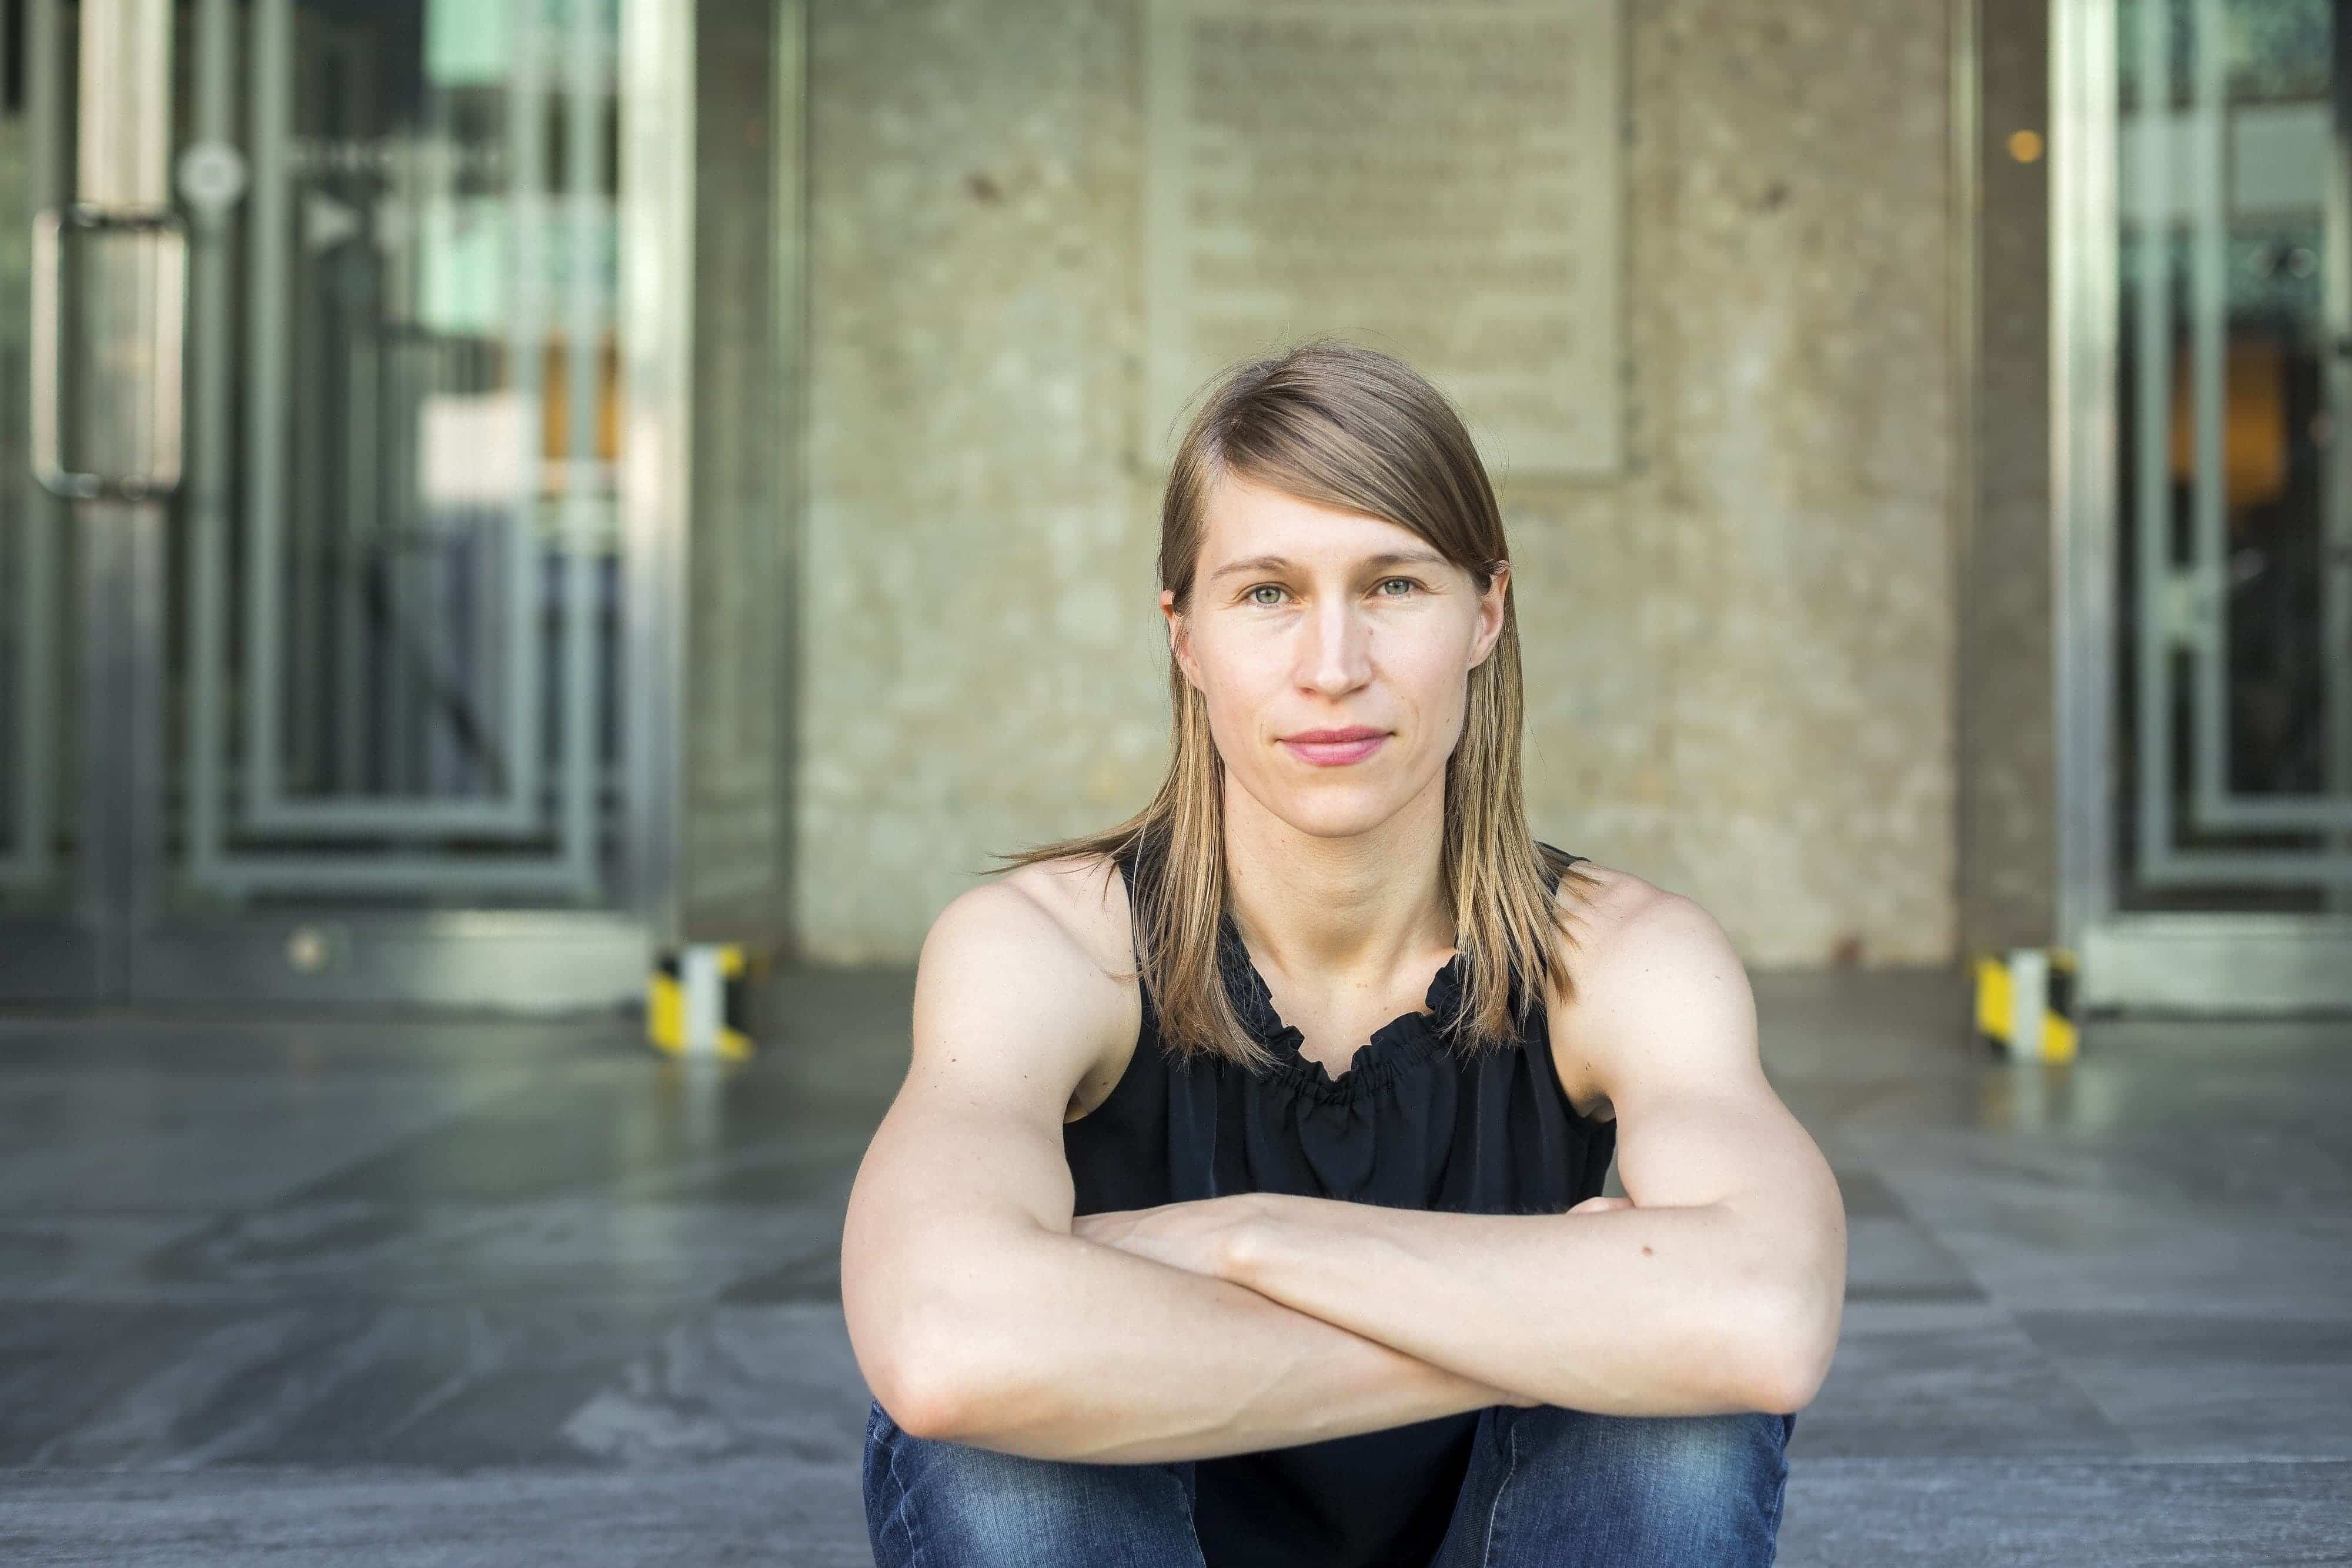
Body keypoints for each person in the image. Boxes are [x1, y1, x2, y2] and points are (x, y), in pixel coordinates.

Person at [838, 339, 1847, 1567]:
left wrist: (1245, 1238)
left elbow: (1760, 1317)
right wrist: (1575, 1315)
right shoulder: (1045, 947)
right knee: (998, 1456)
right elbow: (944, 1341)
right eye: (1266, 592)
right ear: (1184, 635)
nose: (1333, 667)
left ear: (1484, 611)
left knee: (1679, 1434)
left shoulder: (1626, 959)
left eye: (1392, 586)